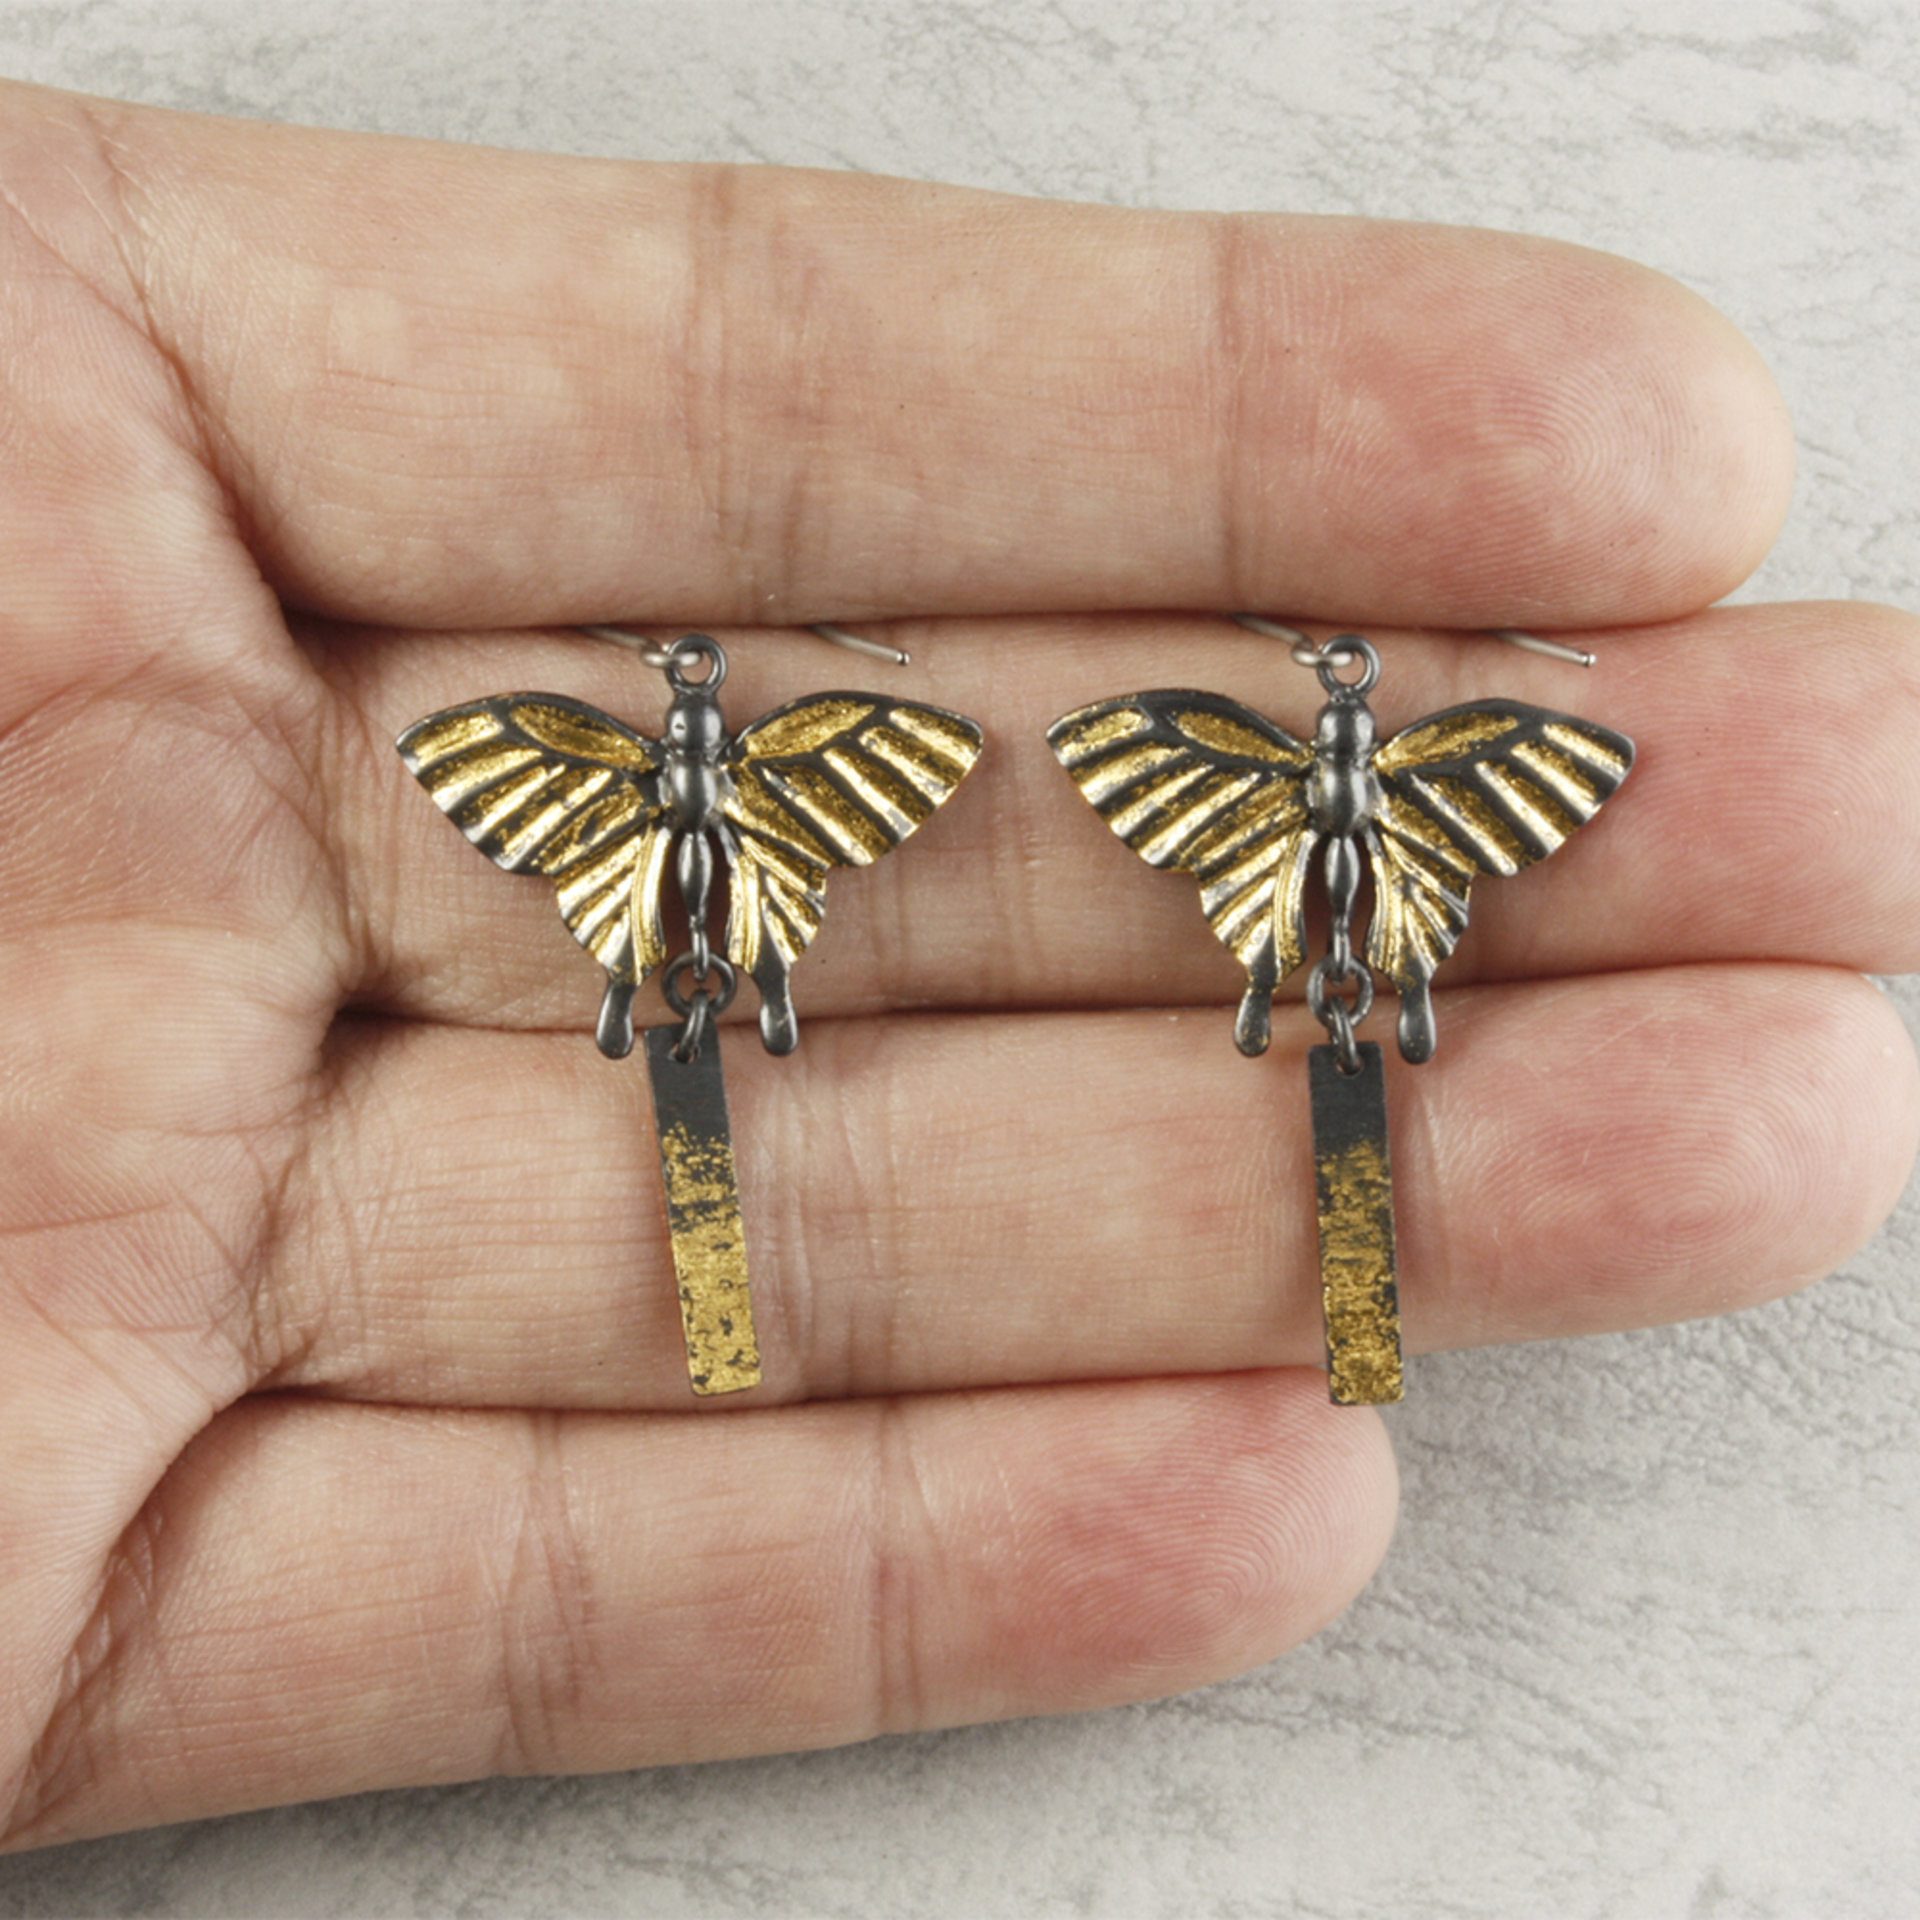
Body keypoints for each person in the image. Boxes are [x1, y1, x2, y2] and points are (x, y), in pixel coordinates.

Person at [0, 78, 1913, 1853]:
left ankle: (1292, 1135)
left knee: (1325, 990)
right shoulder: (689, 752)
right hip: (738, 900)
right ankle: (785, 1188)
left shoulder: (1233, 754)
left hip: (1169, 885)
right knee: (703, 1000)